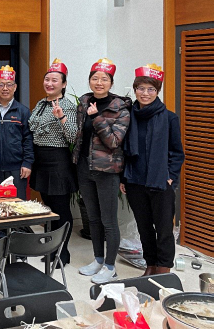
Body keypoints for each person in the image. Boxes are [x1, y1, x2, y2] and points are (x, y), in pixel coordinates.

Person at [121, 64, 184, 276]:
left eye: (151, 89)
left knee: (164, 228)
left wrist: (170, 177)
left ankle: (163, 268)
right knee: (144, 226)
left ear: (157, 91)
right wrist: (123, 178)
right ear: (135, 90)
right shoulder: (129, 116)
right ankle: (150, 264)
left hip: (160, 182)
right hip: (135, 180)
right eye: (141, 88)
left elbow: (177, 152)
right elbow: (123, 150)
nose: (145, 93)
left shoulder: (169, 118)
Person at [72, 59, 131, 283]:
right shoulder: (84, 102)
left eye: (104, 79)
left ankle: (110, 266)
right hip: (85, 168)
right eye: (95, 78)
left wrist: (96, 117)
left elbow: (114, 142)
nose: (99, 82)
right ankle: (98, 260)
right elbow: (80, 135)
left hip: (107, 170)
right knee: (93, 219)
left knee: (109, 221)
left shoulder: (120, 108)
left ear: (111, 83)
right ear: (89, 81)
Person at [28, 59, 77, 266]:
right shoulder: (40, 104)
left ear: (63, 84)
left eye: (55, 80)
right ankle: (51, 249)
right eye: (47, 79)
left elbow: (73, 136)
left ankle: (62, 252)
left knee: (61, 210)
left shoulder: (67, 106)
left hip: (58, 161)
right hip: (41, 160)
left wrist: (61, 117)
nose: (49, 83)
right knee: (48, 209)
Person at [0, 66, 33, 200]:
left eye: (9, 84)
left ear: (15, 87)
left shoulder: (23, 111)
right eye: (1, 85)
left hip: (17, 169)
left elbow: (28, 139)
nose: (5, 88)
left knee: (17, 205)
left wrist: (27, 163)